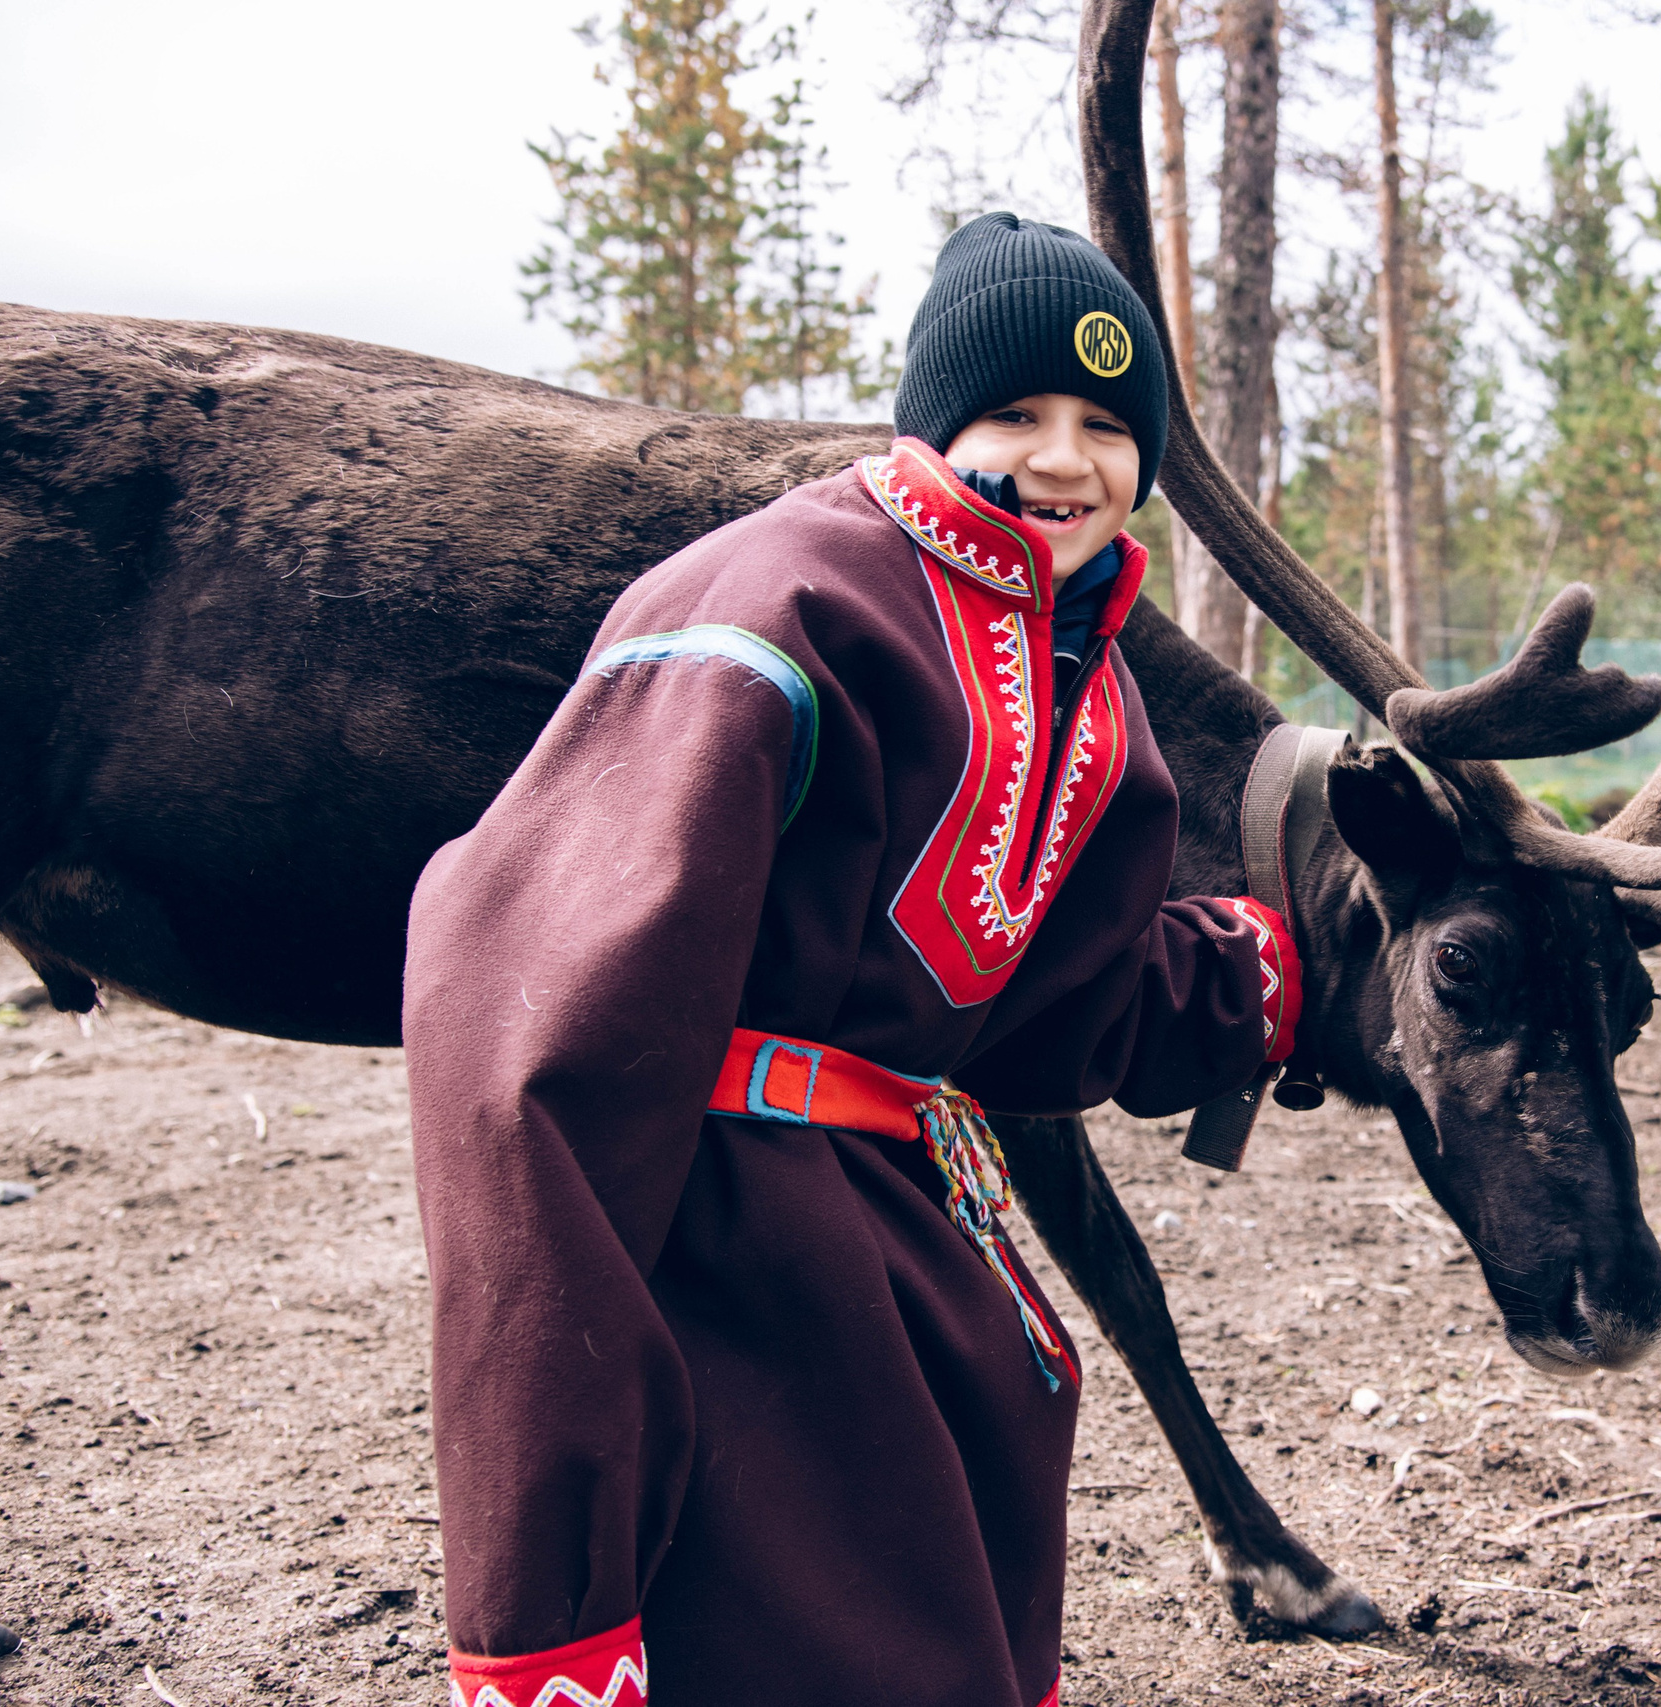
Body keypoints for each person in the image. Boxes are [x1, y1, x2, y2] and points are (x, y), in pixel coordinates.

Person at [403, 212, 1300, 1707]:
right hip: (727, 1265)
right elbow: (523, 1056)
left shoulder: (1086, 684)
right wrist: (543, 1598)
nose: (1063, 459)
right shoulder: (768, 611)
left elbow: (1049, 1019)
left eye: (1104, 423)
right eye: (1013, 413)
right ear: (929, 420)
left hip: (909, 1246)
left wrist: (1276, 976)